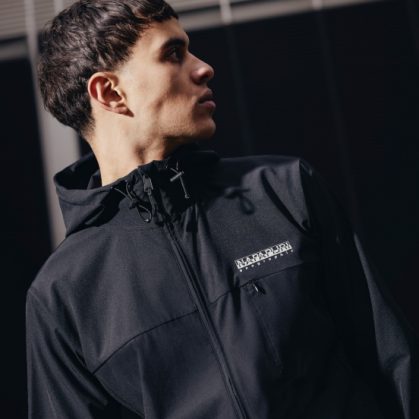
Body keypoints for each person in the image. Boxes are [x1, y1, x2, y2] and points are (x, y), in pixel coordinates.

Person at [26, 1, 418, 418]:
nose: (203, 68)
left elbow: (392, 362)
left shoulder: (284, 190)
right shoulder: (63, 294)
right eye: (173, 54)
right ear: (109, 92)